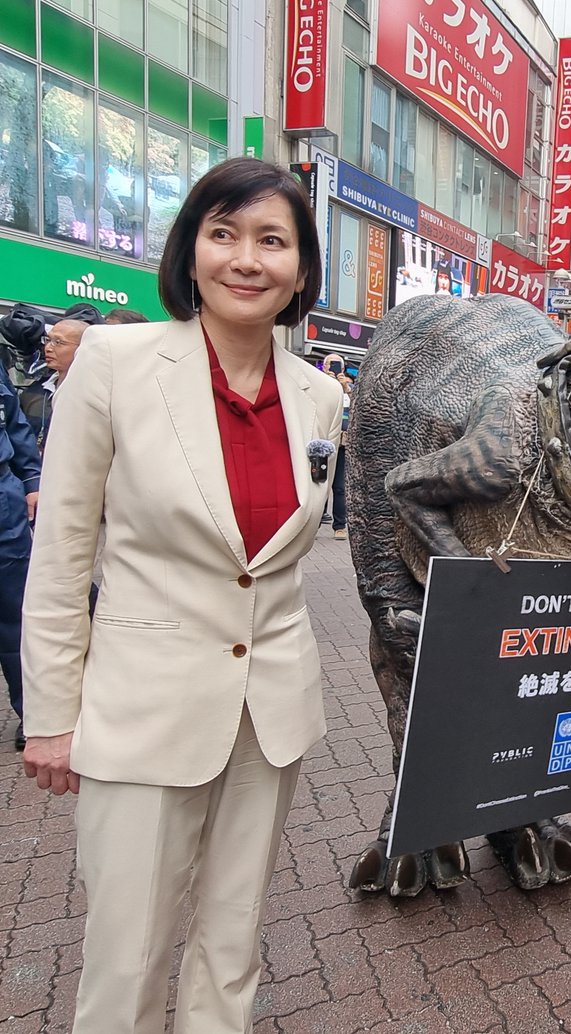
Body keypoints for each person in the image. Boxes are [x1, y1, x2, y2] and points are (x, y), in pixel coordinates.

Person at [20, 157, 343, 1034]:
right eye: (224, 233)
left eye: (272, 240)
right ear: (191, 250)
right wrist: (51, 711)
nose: (247, 259)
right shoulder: (117, 364)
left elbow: (274, 560)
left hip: (269, 714)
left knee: (232, 947)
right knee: (127, 957)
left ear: (301, 270)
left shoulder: (320, 396)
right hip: (144, 708)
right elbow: (61, 554)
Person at [1, 366, 40, 748]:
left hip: (4, 510)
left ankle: (31, 711)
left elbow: (14, 423)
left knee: (14, 619)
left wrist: (31, 481)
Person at [19, 318, 87, 451]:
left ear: (83, 347)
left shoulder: (94, 395)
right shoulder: (34, 392)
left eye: (58, 342)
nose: (48, 348)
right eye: (48, 340)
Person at [321, 352, 351, 540]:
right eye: (330, 364)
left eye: (337, 364)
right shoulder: (318, 384)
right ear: (324, 367)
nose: (333, 367)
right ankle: (313, 525)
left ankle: (340, 526)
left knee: (339, 487)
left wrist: (345, 388)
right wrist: (327, 384)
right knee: (319, 484)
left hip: (342, 444)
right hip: (322, 442)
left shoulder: (349, 387)